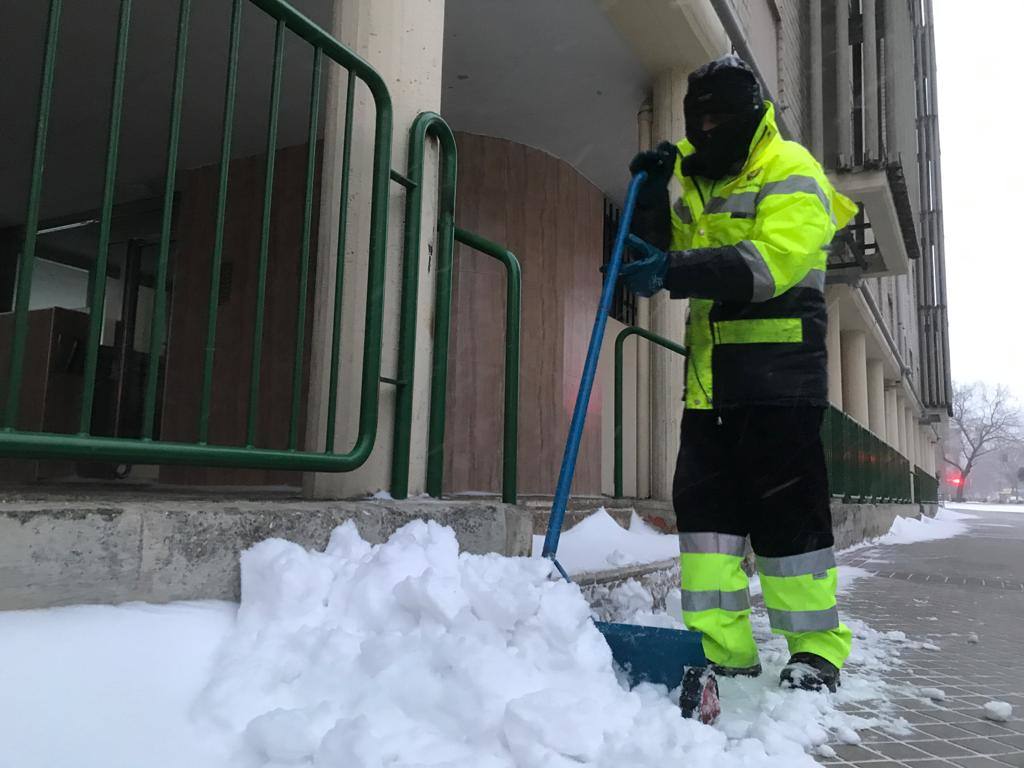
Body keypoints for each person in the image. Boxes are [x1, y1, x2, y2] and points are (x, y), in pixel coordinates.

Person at [623, 54, 857, 693]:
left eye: (720, 116)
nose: (705, 129)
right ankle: (724, 649)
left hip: (780, 385)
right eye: (696, 119)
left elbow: (767, 265)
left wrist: (672, 272)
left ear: (753, 116)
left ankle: (814, 650)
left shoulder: (791, 170)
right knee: (707, 529)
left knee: (789, 527)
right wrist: (647, 197)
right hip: (708, 389)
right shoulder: (700, 186)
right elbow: (660, 257)